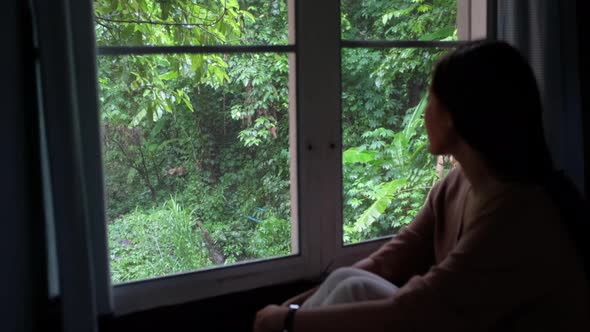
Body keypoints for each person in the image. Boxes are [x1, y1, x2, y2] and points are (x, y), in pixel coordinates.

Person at [253, 40, 590, 332]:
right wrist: (291, 308)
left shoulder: (518, 214)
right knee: (347, 282)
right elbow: (386, 261)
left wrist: (288, 322)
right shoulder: (457, 185)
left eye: (431, 99)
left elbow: (413, 313)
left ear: (455, 117)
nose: (425, 112)